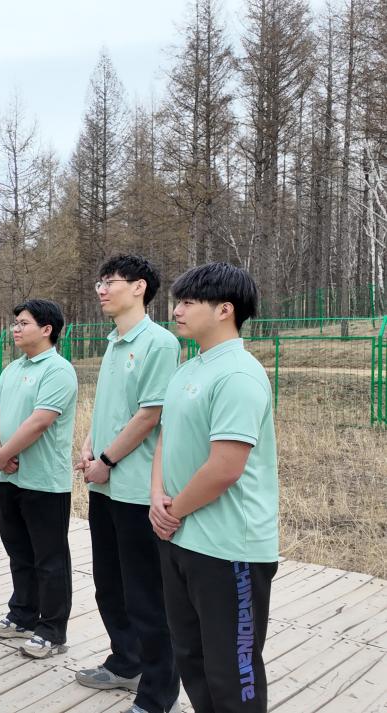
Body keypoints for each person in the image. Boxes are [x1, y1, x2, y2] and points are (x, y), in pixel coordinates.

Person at [150, 262, 278, 713]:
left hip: (229, 549)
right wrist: (156, 498)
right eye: (178, 302)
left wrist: (173, 511)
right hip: (181, 537)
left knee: (233, 672)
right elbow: (165, 436)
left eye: (188, 302)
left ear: (225, 310)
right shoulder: (188, 369)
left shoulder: (238, 375)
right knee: (192, 657)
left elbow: (225, 468)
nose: (177, 311)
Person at [72, 255, 180, 713]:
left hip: (136, 489)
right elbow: (110, 408)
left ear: (139, 288)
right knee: (109, 585)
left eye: (110, 281)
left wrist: (108, 459)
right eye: (99, 281)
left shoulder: (159, 343)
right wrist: (89, 446)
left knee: (146, 595)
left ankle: (158, 695)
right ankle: (125, 662)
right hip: (105, 487)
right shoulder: (115, 342)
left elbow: (150, 414)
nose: (101, 289)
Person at [0, 299, 77, 659]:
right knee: (18, 550)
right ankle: (22, 615)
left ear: (47, 329)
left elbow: (40, 421)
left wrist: (3, 453)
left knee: (50, 559)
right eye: (16, 323)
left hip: (44, 482)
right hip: (10, 478)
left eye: (24, 323)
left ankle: (52, 630)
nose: (16, 329)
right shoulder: (13, 368)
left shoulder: (58, 370)